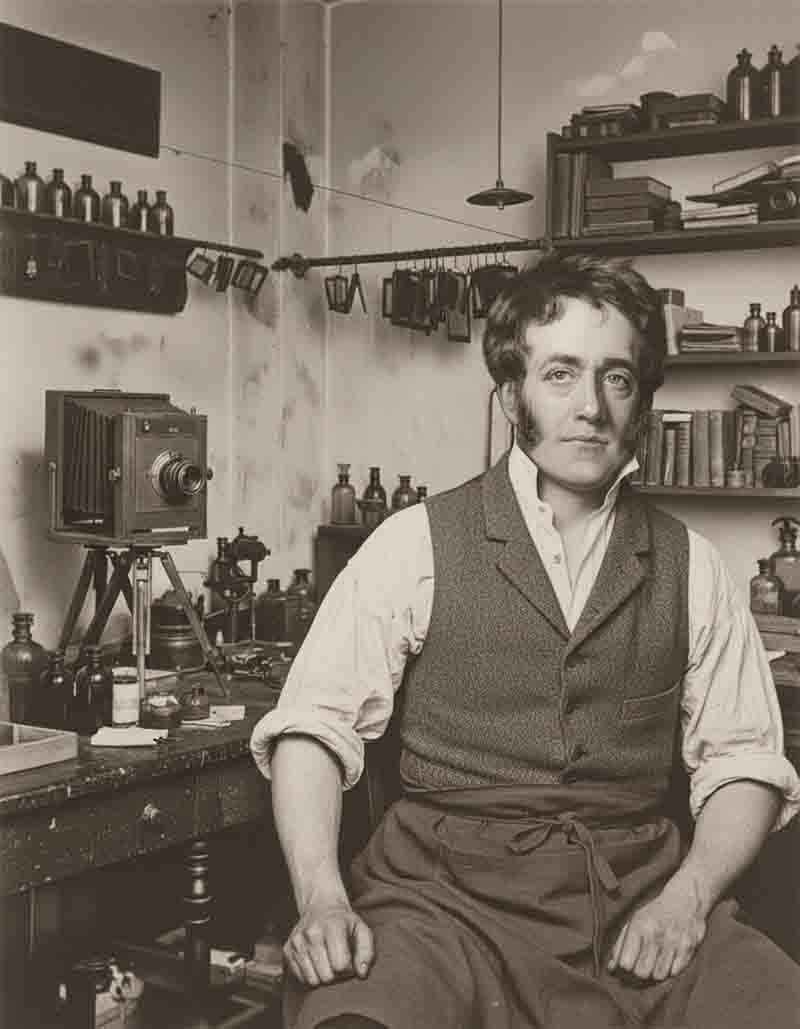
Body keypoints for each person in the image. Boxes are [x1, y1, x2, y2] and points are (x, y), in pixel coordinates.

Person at [250, 252, 800, 1029]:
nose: (592, 407)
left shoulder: (693, 568)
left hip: (636, 899)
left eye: (617, 378)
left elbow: (744, 763)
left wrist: (687, 899)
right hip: (440, 904)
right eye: (561, 374)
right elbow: (313, 726)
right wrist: (322, 897)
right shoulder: (415, 543)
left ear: (641, 403)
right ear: (512, 395)